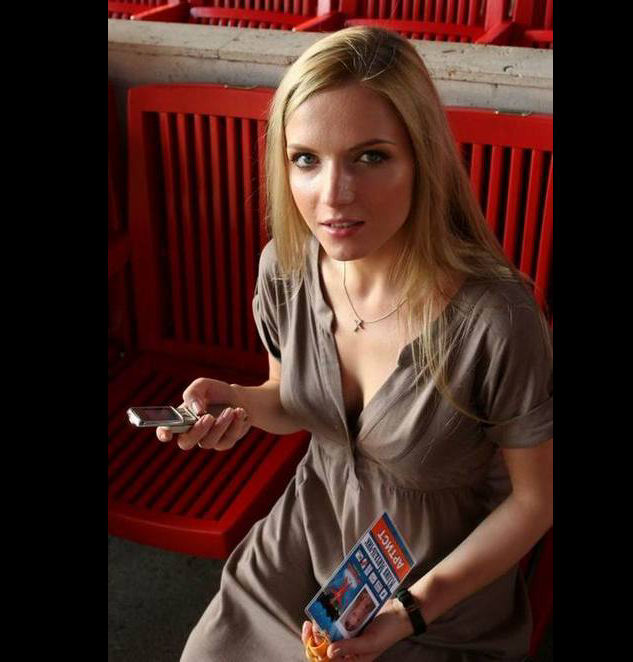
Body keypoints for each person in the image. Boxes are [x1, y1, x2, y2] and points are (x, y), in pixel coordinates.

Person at [156, 26, 553, 662]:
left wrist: (407, 613)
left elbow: (535, 503)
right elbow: (288, 399)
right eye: (305, 159)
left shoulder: (498, 320)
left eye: (370, 157)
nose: (333, 196)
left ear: (423, 159)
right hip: (304, 552)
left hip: (440, 595)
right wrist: (240, 403)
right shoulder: (285, 269)